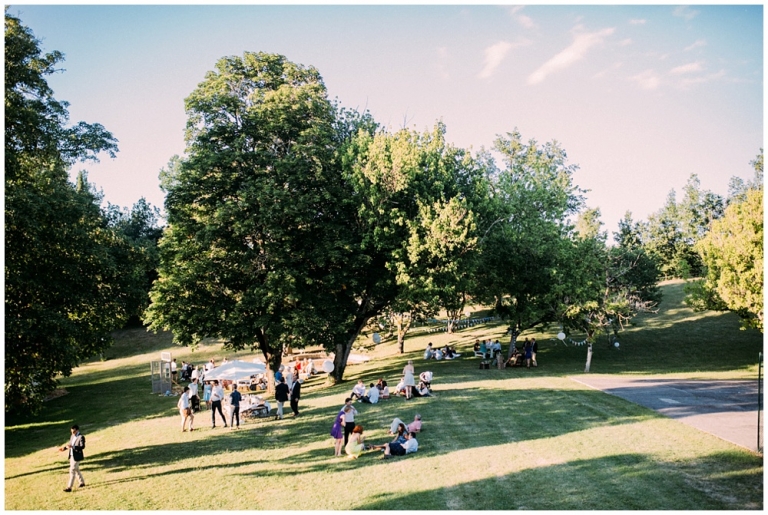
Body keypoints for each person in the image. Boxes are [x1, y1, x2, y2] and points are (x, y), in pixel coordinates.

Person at [59, 424, 86, 492]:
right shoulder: (72, 436)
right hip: (71, 456)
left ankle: (69, 487)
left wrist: (74, 447)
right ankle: (82, 482)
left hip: (77, 456)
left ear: (77, 430)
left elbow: (82, 447)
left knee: (72, 470)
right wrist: (64, 448)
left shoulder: (81, 437)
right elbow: (70, 445)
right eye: (71, 431)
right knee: (76, 469)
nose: (72, 433)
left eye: (73, 431)